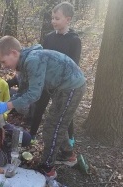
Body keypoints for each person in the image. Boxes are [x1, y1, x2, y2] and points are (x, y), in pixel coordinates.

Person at [0, 36, 86, 178]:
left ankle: (48, 168)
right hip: (60, 88)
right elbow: (22, 92)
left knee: (53, 127)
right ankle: (67, 155)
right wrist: (2, 106)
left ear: (14, 53)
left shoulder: (33, 61)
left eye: (3, 61)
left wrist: (7, 106)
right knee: (55, 123)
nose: (3, 65)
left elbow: (34, 95)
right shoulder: (22, 66)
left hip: (72, 86)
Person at [29, 1, 81, 146]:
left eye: (57, 18)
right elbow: (42, 58)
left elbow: (74, 64)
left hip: (63, 85)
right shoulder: (49, 37)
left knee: (64, 112)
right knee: (39, 107)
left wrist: (61, 81)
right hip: (47, 82)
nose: (53, 21)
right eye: (52, 18)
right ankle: (32, 135)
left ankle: (70, 139)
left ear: (68, 19)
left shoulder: (74, 40)